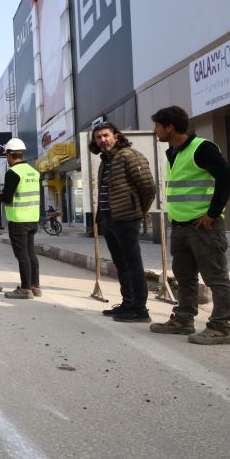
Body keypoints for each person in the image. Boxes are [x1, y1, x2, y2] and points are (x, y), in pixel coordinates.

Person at [149, 106, 230, 345]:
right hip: (180, 226)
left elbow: (226, 177)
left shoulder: (202, 148)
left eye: (157, 126)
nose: (155, 131)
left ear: (170, 127)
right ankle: (183, 320)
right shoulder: (173, 152)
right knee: (184, 277)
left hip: (203, 226)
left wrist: (212, 213)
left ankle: (220, 327)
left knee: (216, 278)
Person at [89, 122, 156, 323]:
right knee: (121, 263)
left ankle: (140, 308)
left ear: (116, 136)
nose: (102, 140)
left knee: (133, 262)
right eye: (98, 137)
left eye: (106, 135)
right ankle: (128, 303)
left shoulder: (128, 155)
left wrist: (140, 210)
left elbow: (148, 187)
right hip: (108, 218)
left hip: (126, 218)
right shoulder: (106, 161)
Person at [0, 137, 41, 299]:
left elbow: (7, 198)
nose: (7, 159)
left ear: (9, 154)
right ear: (21, 153)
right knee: (31, 253)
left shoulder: (13, 173)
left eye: (6, 155)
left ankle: (25, 289)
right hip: (32, 218)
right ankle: (35, 286)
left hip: (18, 220)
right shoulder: (34, 172)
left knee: (22, 254)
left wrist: (0, 195)